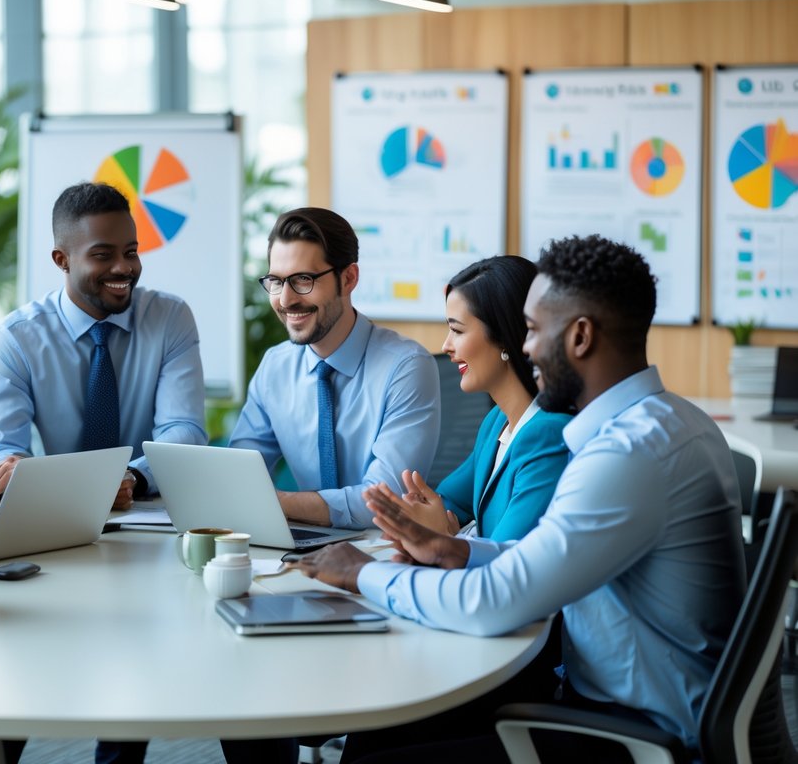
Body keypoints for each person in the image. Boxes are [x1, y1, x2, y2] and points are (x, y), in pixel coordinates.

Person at [296, 235, 746, 762]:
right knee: (382, 735)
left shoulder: (626, 455)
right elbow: (544, 555)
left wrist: (361, 573)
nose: (526, 348)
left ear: (579, 337)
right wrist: (457, 551)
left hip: (635, 737)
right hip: (626, 712)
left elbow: (497, 601)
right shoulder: (671, 422)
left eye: (533, 330)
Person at [0, 181, 207, 509]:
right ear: (61, 260)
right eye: (102, 255)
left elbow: (184, 430)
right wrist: (63, 484)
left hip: (145, 513)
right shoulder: (13, 340)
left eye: (131, 252)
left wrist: (132, 477)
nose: (124, 267)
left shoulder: (169, 318)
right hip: (51, 513)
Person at [229, 207, 441, 530]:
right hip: (297, 550)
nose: (285, 300)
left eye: (303, 280)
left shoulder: (406, 368)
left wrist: (277, 503)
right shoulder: (275, 367)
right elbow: (238, 474)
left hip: (383, 553)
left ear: (348, 279)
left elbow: (382, 503)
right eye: (275, 281)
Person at [366, 255, 570, 542]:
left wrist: (444, 540)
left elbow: (505, 562)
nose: (446, 346)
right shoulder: (497, 421)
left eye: (457, 330)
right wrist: (423, 516)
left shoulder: (548, 434)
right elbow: (450, 500)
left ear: (504, 335)